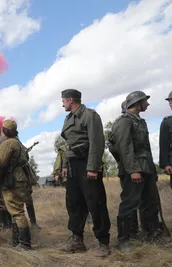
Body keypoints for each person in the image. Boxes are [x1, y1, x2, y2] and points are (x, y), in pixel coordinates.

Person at [60, 89, 111, 257]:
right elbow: (69, 145)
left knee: (95, 202)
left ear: (70, 100)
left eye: (63, 101)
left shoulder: (90, 115)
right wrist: (66, 165)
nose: (62, 104)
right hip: (74, 165)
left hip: (87, 164)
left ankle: (103, 243)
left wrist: (93, 167)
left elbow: (96, 142)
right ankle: (77, 240)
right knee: (74, 203)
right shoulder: (68, 119)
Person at [111, 91, 160, 252]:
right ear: (138, 102)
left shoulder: (141, 122)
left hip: (146, 170)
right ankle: (124, 240)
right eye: (145, 101)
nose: (147, 104)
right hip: (134, 171)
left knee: (150, 203)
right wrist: (133, 170)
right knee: (129, 204)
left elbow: (146, 149)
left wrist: (152, 171)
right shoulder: (124, 121)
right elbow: (124, 147)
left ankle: (151, 233)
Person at [0, 119, 33, 249]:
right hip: (20, 178)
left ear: (4, 131)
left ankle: (24, 243)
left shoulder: (7, 143)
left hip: (12, 180)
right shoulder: (18, 143)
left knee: (17, 212)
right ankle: (17, 241)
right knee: (17, 210)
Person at [159, 91, 172, 177]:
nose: (171, 103)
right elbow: (163, 145)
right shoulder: (167, 122)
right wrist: (165, 164)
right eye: (169, 102)